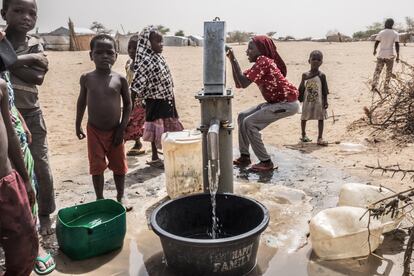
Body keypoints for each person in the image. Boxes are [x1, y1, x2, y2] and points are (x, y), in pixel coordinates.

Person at [1, 0, 56, 236]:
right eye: (19, 11)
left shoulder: (36, 44)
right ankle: (18, 216)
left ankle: (45, 213)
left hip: (31, 114)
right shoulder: (1, 39)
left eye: (32, 13)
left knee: (41, 165)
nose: (26, 17)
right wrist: (22, 61)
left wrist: (6, 62)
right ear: (4, 13)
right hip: (5, 117)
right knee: (11, 167)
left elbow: (38, 78)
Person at [226, 35, 299, 172]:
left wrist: (233, 59)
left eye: (250, 48)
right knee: (242, 116)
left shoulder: (264, 61)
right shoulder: (260, 64)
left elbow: (243, 82)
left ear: (261, 49)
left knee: (250, 123)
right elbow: (240, 82)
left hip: (287, 104)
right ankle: (245, 156)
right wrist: (231, 61)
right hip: (276, 102)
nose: (247, 51)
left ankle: (266, 161)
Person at [76, 34, 132, 210]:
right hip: (94, 131)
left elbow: (129, 104)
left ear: (116, 55)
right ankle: (100, 198)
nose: (105, 56)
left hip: (115, 130)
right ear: (91, 55)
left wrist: (122, 128)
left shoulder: (120, 79)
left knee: (119, 166)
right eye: (99, 52)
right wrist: (77, 124)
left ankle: (121, 196)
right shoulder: (86, 78)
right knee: (97, 166)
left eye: (109, 52)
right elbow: (81, 102)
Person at [0, 72, 38, 276]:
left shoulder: (1, 87)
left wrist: (24, 178)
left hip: (7, 182)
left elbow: (11, 134)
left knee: (24, 246)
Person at [130, 26, 183, 168]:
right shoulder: (146, 61)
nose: (161, 45)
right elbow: (136, 85)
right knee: (156, 129)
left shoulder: (158, 57)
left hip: (167, 98)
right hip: (155, 100)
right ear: (148, 43)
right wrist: (130, 105)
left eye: (162, 42)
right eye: (158, 42)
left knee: (168, 126)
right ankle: (154, 156)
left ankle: (166, 153)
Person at [298, 50, 329, 146]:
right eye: (313, 59)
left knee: (321, 118)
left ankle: (320, 137)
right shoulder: (305, 75)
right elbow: (301, 88)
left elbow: (325, 89)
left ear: (321, 62)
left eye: (318, 60)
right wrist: (300, 97)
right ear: (309, 61)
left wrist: (326, 101)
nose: (316, 61)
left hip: (318, 101)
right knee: (304, 117)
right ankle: (303, 135)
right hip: (307, 101)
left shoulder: (322, 75)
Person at [124, 34, 146, 156]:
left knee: (135, 122)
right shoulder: (128, 63)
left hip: (140, 99)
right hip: (129, 97)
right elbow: (127, 79)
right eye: (129, 48)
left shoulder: (143, 65)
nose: (132, 51)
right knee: (132, 121)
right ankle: (137, 143)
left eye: (135, 48)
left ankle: (139, 143)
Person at [372, 18, 400, 93]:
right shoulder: (395, 33)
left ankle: (374, 86)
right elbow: (397, 45)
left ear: (386, 23)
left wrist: (374, 50)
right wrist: (398, 56)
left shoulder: (381, 32)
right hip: (390, 55)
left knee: (378, 71)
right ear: (392, 24)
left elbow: (377, 42)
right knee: (389, 71)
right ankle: (386, 87)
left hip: (381, 55)